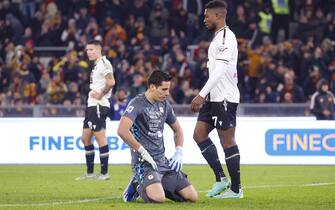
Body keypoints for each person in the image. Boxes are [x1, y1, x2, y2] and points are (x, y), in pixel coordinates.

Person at [117, 70, 198, 203]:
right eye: (164, 89)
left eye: (168, 89)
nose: (167, 93)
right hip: (144, 163)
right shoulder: (137, 103)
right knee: (158, 199)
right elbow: (122, 130)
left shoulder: (164, 104)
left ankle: (157, 184)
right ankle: (136, 184)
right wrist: (142, 151)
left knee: (192, 197)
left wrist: (179, 151)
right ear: (152, 87)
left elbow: (178, 130)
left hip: (162, 162)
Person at [190, 0, 243, 198]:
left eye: (207, 16)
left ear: (218, 16)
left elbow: (220, 70)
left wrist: (201, 94)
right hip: (214, 97)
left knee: (227, 140)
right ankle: (221, 179)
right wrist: (207, 95)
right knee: (199, 135)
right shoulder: (217, 38)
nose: (204, 19)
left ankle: (236, 190)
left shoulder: (226, 38)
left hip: (225, 98)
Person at [76, 40, 115, 180]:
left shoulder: (104, 63)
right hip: (91, 105)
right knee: (85, 138)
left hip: (98, 104)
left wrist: (101, 94)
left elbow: (111, 82)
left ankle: (104, 173)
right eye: (87, 50)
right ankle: (90, 173)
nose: (88, 52)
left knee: (100, 137)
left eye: (91, 49)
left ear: (99, 50)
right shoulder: (97, 65)